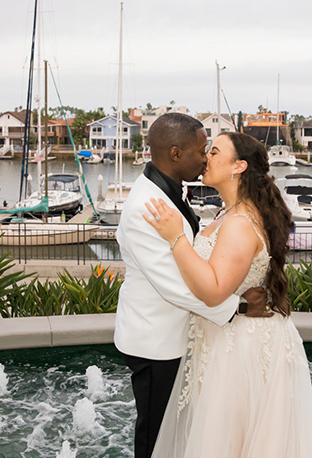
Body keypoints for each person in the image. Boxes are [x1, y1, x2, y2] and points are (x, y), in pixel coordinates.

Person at [143, 131, 312, 458]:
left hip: (240, 351)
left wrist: (176, 238)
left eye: (215, 152)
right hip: (227, 338)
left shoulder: (239, 223)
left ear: (238, 166)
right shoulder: (229, 215)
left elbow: (215, 290)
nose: (206, 158)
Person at [115, 113, 269, 458]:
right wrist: (240, 307)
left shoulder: (170, 193)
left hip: (180, 335)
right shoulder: (146, 206)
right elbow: (175, 287)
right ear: (175, 154)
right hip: (156, 342)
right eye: (202, 150)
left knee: (182, 432)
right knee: (155, 436)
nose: (205, 158)